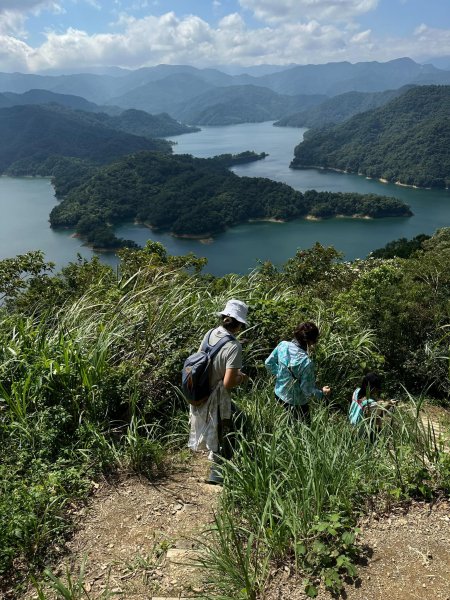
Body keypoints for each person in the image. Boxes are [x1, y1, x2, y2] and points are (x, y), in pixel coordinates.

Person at [188, 299, 248, 484]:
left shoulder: (210, 333)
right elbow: (229, 383)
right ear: (239, 325)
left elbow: (199, 359)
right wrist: (241, 378)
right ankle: (217, 476)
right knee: (226, 430)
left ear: (223, 317)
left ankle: (215, 463)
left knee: (218, 427)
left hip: (200, 390)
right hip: (216, 395)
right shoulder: (233, 346)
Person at [265, 321, 330, 420]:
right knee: (303, 430)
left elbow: (268, 363)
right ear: (310, 341)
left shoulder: (283, 345)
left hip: (278, 394)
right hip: (297, 403)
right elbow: (307, 390)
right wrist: (322, 393)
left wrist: (281, 374)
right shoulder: (306, 362)